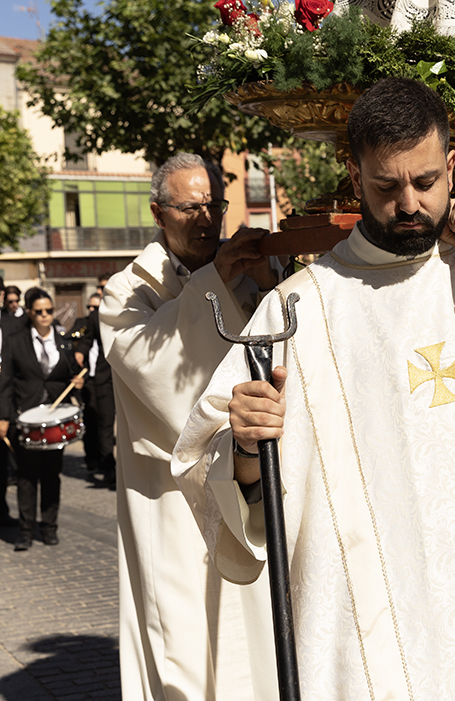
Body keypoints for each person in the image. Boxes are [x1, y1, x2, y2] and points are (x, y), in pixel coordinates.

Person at [173, 77, 455, 701]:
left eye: (426, 182)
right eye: (387, 187)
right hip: (359, 626)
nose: (409, 203)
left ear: (452, 167)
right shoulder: (298, 309)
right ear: (355, 178)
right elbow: (213, 467)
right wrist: (249, 447)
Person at [100, 153, 280, 701]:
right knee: (183, 638)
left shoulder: (241, 272)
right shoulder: (126, 291)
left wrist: (268, 283)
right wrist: (215, 281)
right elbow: (154, 374)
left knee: (255, 634)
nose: (207, 219)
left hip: (244, 481)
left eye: (214, 206)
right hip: (168, 495)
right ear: (159, 213)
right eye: (190, 208)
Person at [0, 287, 84, 550]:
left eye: (49, 310)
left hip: (55, 419)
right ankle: (26, 531)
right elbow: (6, 383)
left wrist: (77, 382)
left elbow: (70, 373)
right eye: (39, 312)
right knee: (26, 476)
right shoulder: (15, 340)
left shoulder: (62, 339)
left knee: (51, 474)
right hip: (25, 418)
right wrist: (3, 417)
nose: (45, 315)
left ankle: (49, 528)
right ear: (30, 313)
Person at [75, 293, 116, 487]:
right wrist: (80, 351)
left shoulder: (124, 312)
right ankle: (104, 465)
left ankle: (111, 466)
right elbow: (87, 338)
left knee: (107, 423)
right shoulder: (94, 317)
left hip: (116, 377)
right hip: (97, 379)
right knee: (97, 422)